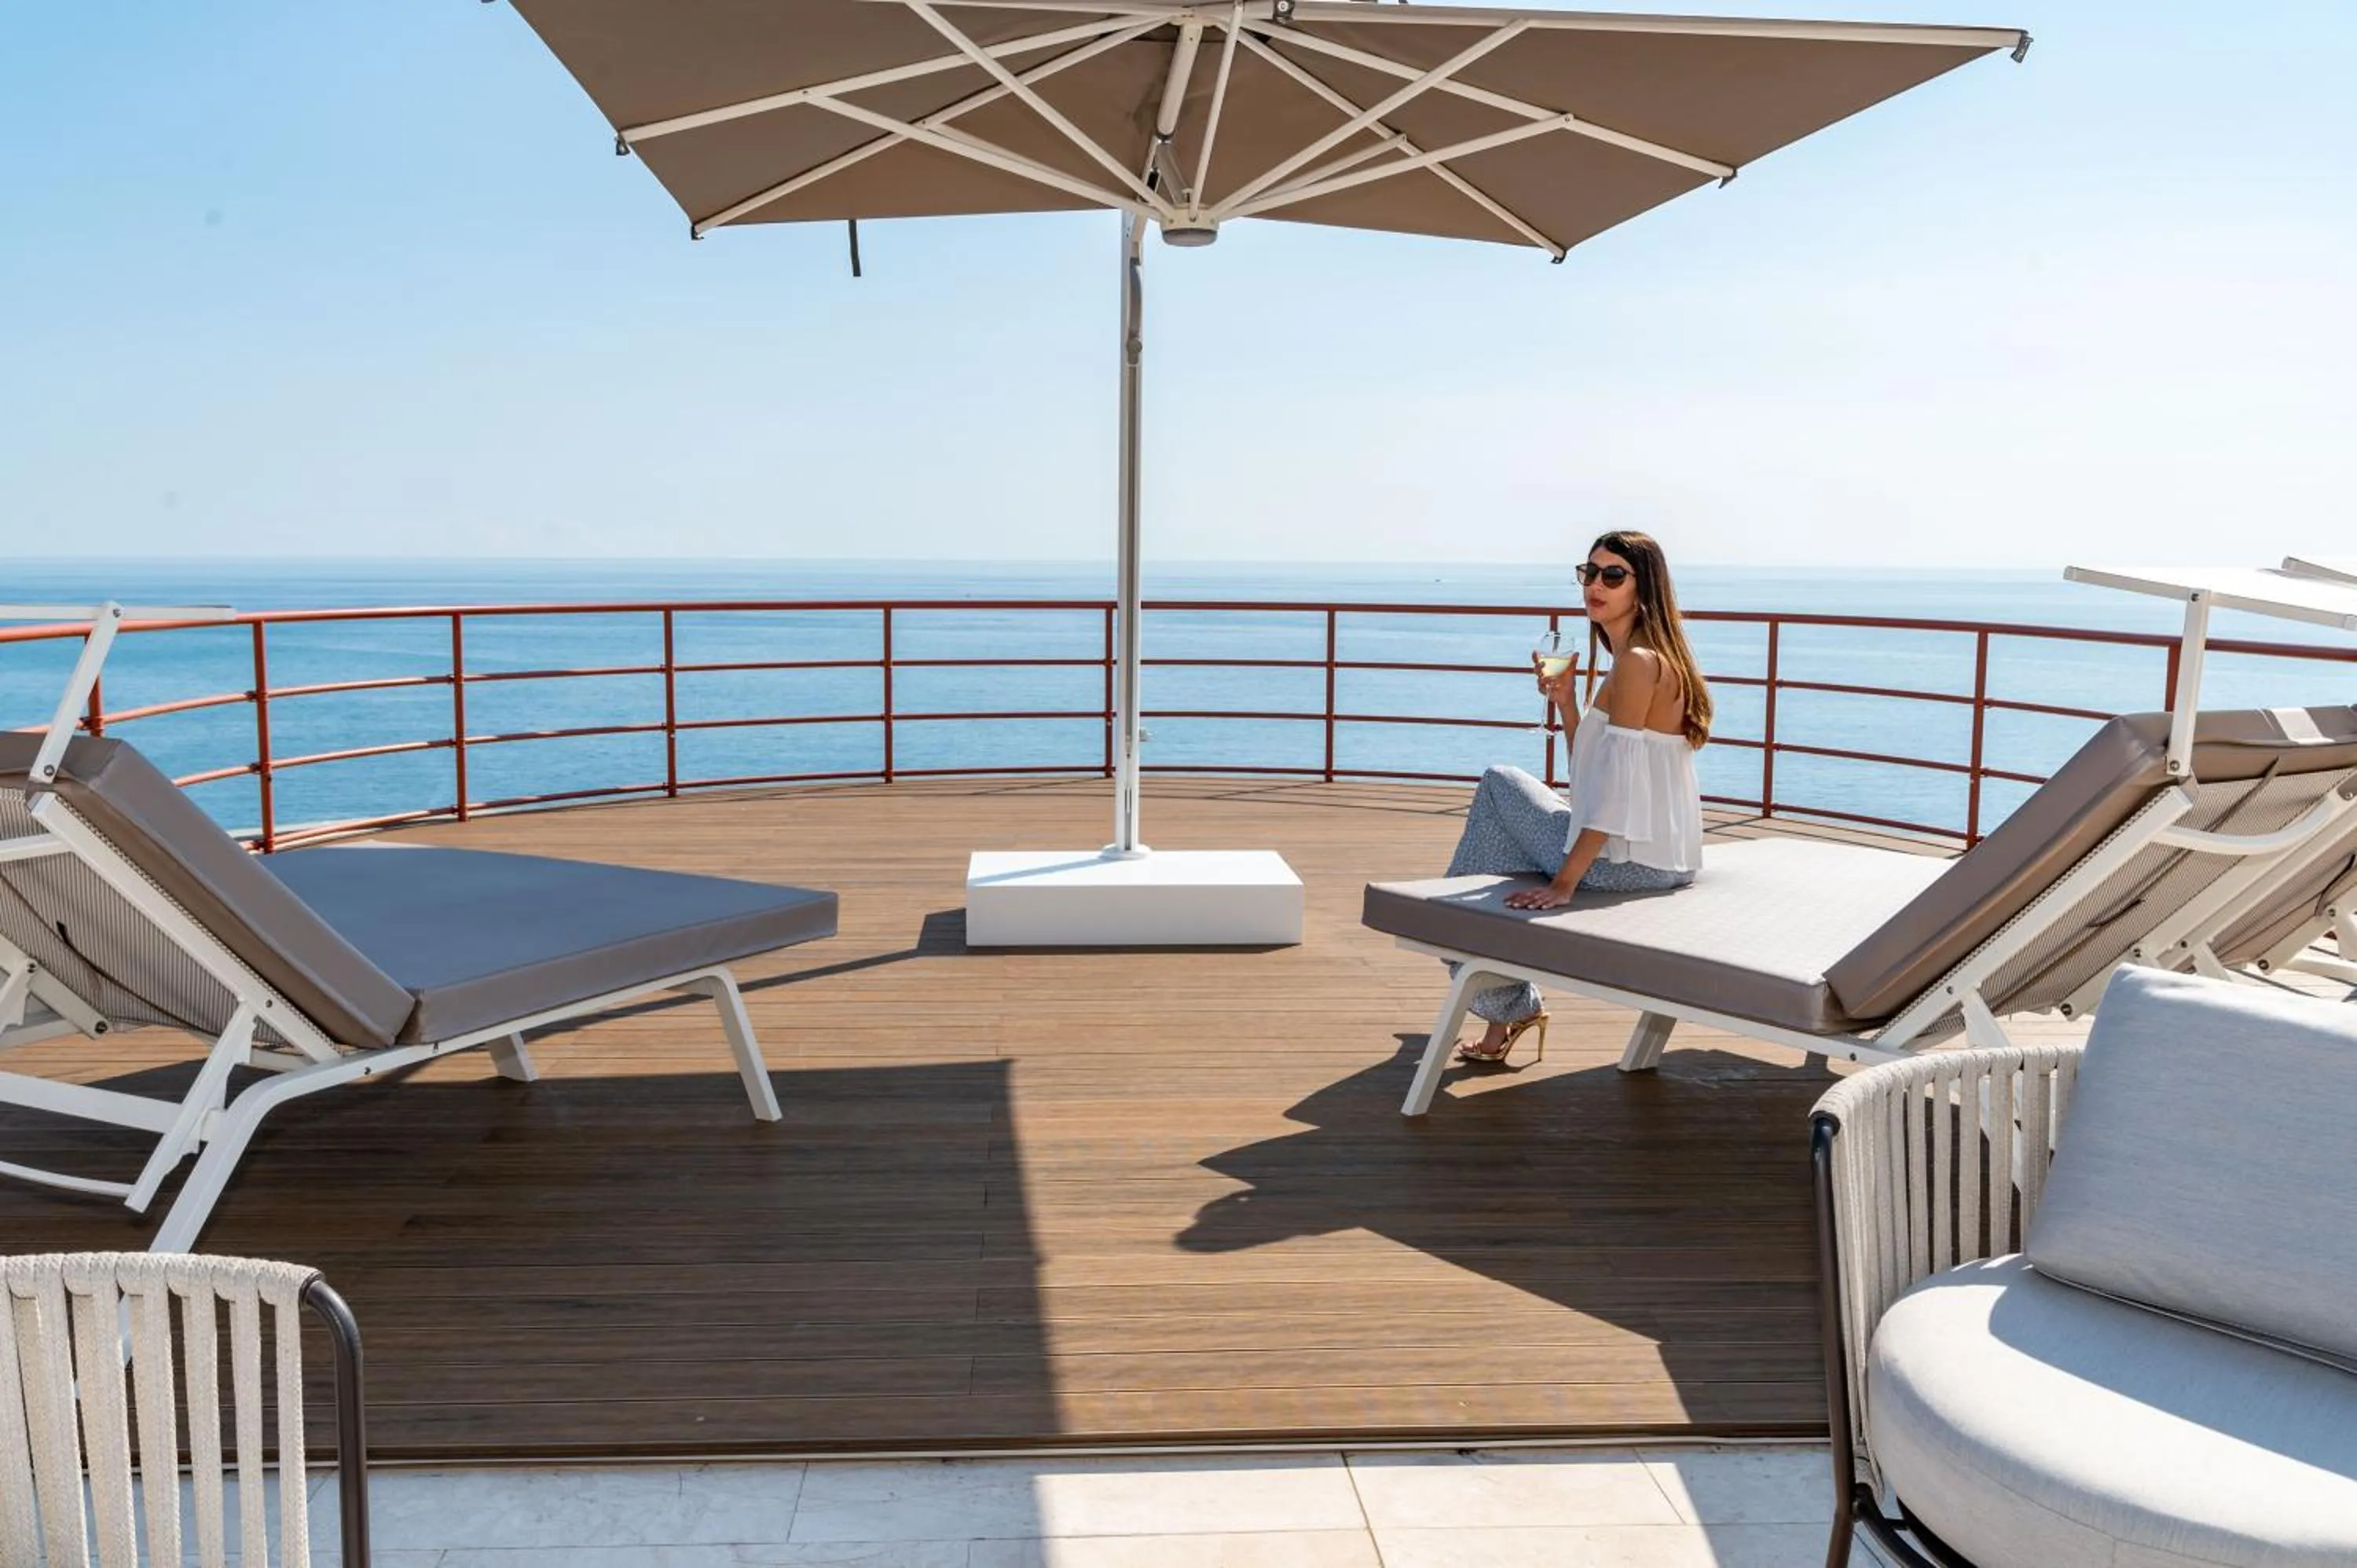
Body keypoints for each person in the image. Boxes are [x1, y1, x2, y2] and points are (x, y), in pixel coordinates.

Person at [1445, 529, 1713, 1064]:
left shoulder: (1638, 663)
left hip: (1629, 865)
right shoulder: (1646, 658)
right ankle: (1502, 1015)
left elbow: (1614, 793)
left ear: (1644, 587)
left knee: (1497, 787)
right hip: (1660, 858)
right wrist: (1568, 704)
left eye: (1613, 576)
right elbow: (1594, 774)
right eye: (1589, 573)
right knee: (1508, 829)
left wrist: (1564, 883)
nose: (1595, 585)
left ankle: (1505, 1001)